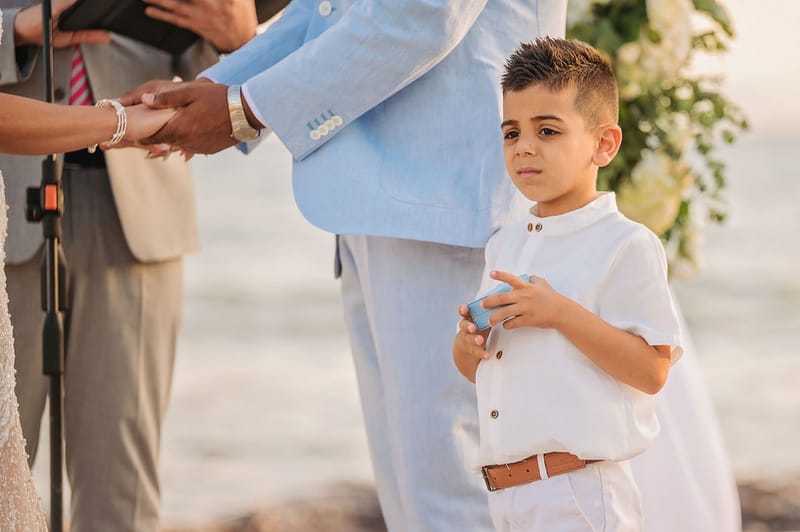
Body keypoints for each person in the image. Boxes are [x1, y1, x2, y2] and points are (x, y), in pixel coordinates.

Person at [121, 0, 568, 529]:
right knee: (413, 499)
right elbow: (328, 9)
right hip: (390, 201)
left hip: (447, 201)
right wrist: (216, 90)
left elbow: (424, 14)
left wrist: (244, 107)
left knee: (453, 492)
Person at [0, 0, 258, 529]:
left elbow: (245, 100)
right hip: (6, 199)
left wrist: (241, 41)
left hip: (139, 207)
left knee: (122, 489)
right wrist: (14, 30)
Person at [452, 37, 683, 531]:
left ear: (604, 144)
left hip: (578, 492)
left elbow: (651, 371)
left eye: (548, 130)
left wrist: (560, 313)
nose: (525, 147)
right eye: (511, 133)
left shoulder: (626, 245)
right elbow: (485, 371)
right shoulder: (505, 245)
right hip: (507, 494)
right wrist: (470, 345)